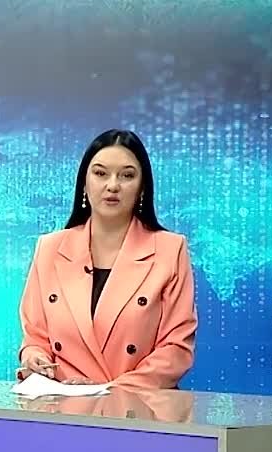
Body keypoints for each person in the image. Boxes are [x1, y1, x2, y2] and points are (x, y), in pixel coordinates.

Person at [16, 129, 196, 389]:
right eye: (100, 173)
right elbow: (36, 337)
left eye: (127, 175)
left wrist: (108, 392)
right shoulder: (50, 248)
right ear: (84, 183)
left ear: (142, 187)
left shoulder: (170, 249)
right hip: (63, 404)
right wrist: (35, 357)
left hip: (138, 405)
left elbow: (176, 349)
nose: (112, 185)